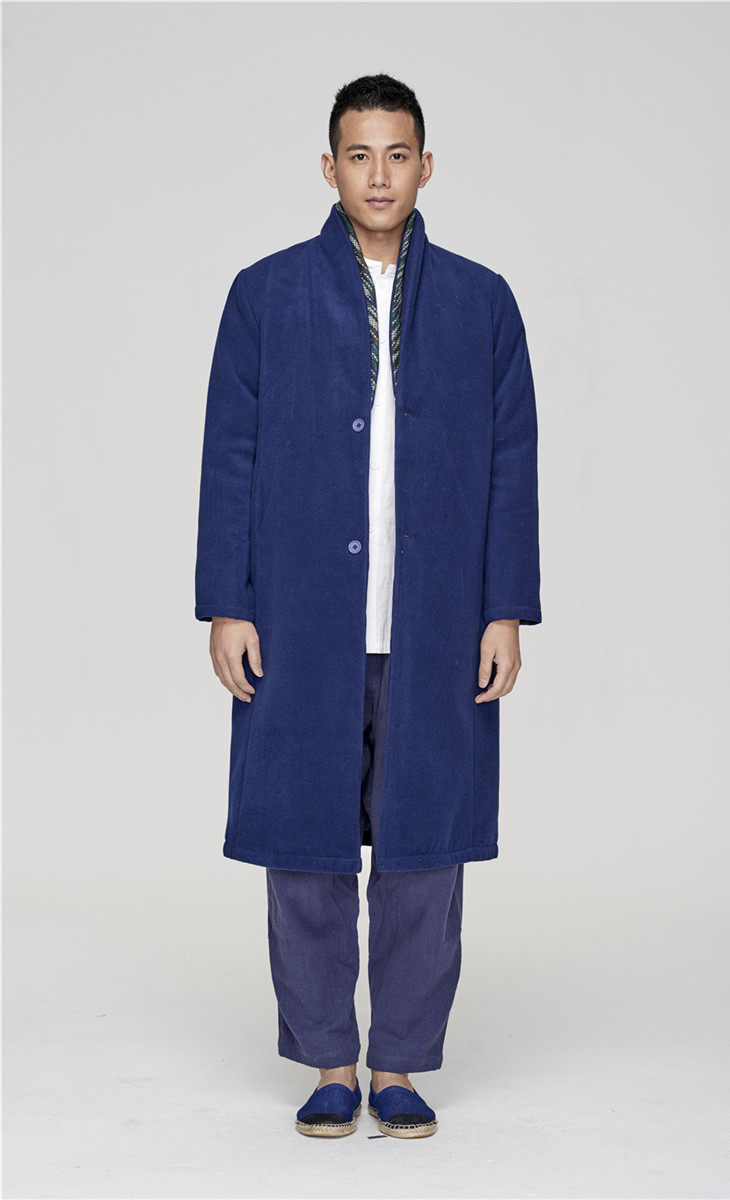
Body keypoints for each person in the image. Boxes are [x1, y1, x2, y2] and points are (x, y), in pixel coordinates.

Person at [194, 73, 541, 1139]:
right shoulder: (266, 295)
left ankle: (398, 1064)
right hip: (302, 619)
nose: (378, 175)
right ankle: (329, 1062)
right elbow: (230, 454)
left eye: (397, 155)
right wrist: (228, 602)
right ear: (329, 167)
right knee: (303, 846)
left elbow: (511, 461)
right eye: (359, 155)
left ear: (425, 166)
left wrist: (504, 608)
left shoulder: (482, 302)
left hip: (436, 624)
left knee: (424, 849)